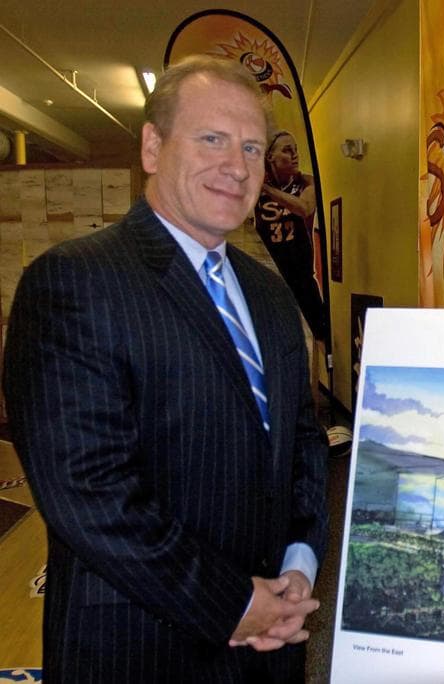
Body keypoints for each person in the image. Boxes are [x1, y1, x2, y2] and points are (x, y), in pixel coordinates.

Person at [2, 55, 328, 682]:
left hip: (272, 643)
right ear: (153, 146)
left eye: (254, 148)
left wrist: (298, 570)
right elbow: (88, 491)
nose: (238, 167)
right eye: (212, 139)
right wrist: (233, 604)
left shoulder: (270, 295)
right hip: (140, 646)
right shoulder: (74, 281)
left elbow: (304, 446)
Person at [254, 130, 330, 342]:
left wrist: (267, 190)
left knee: (319, 333)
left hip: (302, 276)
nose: (295, 155)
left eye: (296, 150)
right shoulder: (255, 190)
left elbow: (304, 208)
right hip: (270, 276)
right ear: (271, 157)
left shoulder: (307, 183)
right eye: (288, 150)